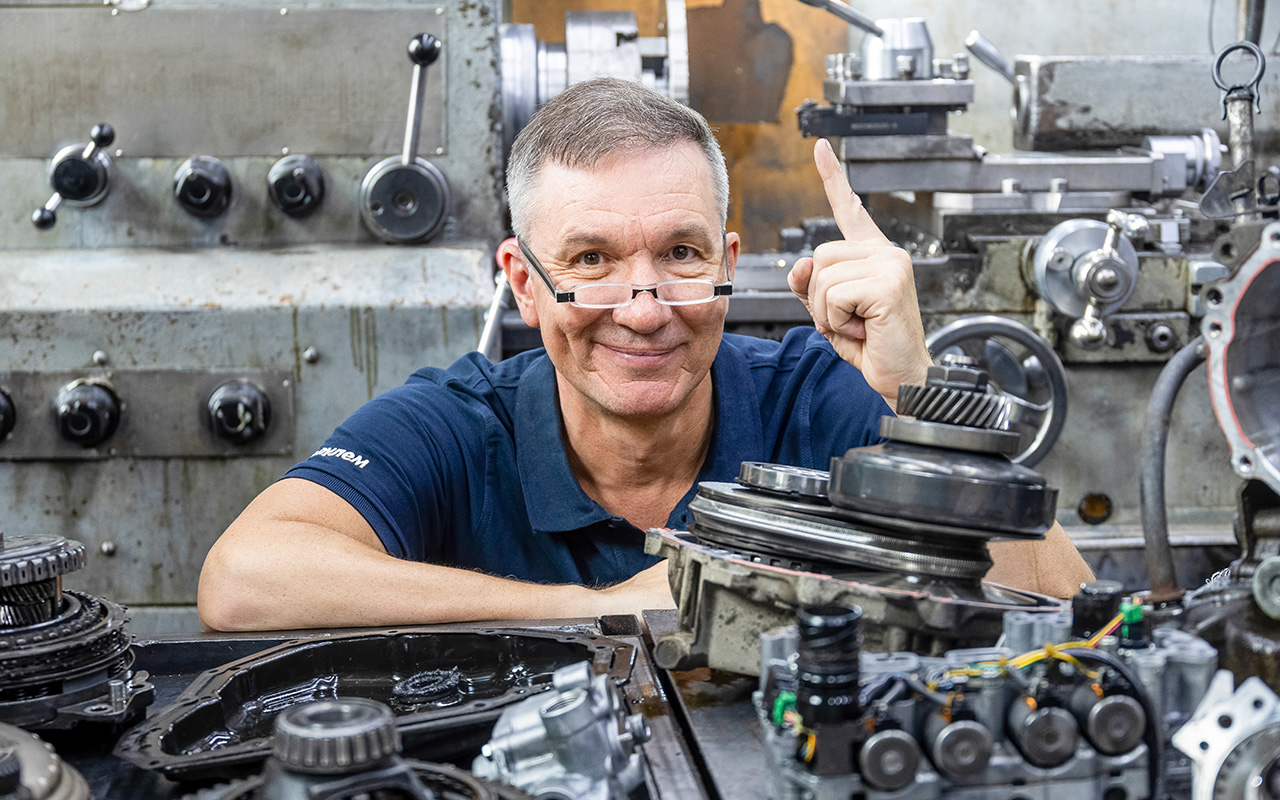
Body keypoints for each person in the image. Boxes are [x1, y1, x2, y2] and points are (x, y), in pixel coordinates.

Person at [197, 78, 1092, 631]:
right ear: (523, 282)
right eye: (590, 260)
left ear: (727, 264)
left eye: (681, 253)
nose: (644, 308)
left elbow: (1063, 611)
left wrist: (914, 395)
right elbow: (244, 579)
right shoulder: (457, 426)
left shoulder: (821, 398)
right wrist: (603, 611)